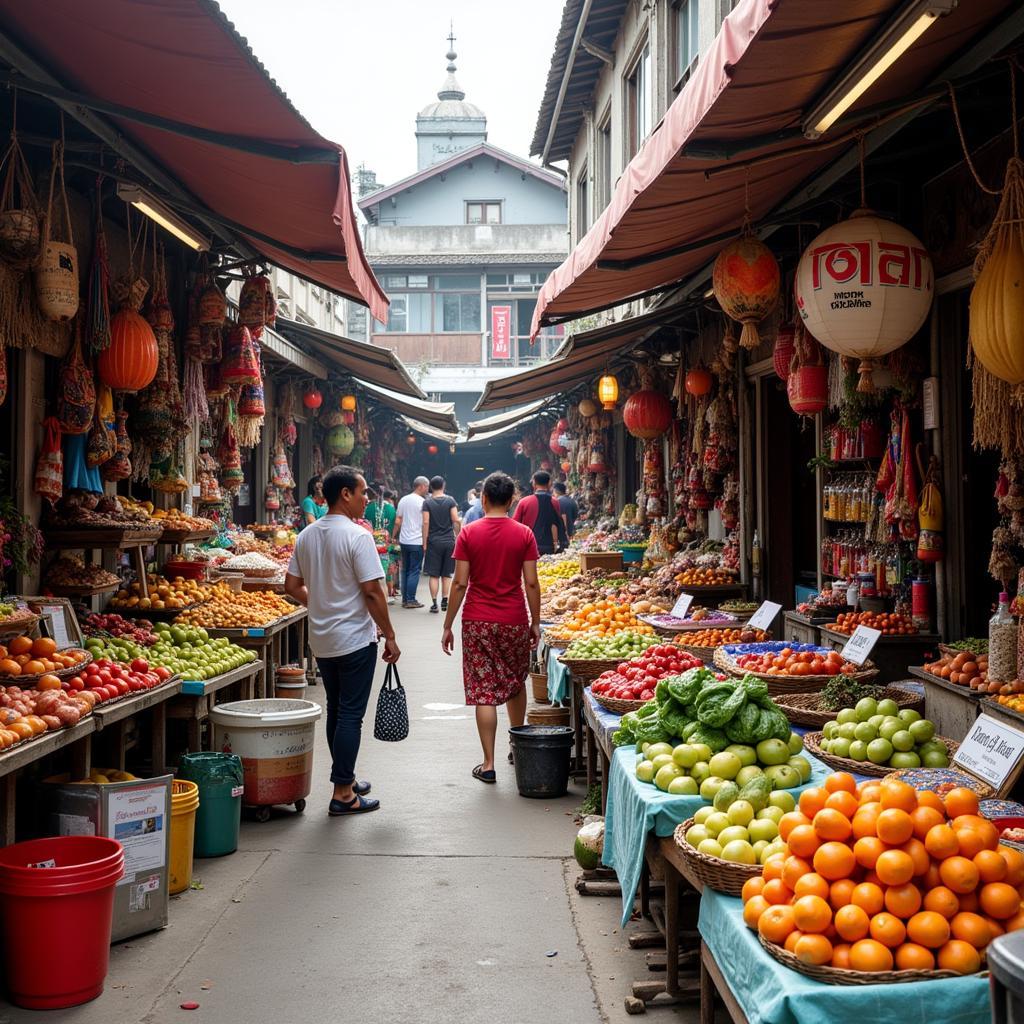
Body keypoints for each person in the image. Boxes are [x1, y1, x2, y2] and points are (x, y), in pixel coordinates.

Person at [285, 465, 400, 817]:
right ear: (345, 494)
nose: (367, 499)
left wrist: (320, 603)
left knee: (337, 710)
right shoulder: (357, 536)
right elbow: (373, 592)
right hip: (353, 639)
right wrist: (390, 635)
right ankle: (343, 793)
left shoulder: (306, 535)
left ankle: (345, 777)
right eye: (363, 492)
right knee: (350, 715)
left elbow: (291, 586)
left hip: (322, 639)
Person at [442, 471, 541, 783]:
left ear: (483, 498)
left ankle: (488, 764)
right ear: (512, 500)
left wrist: (448, 624)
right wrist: (535, 622)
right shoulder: (524, 534)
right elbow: (532, 583)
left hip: (477, 620)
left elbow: (459, 583)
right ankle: (517, 745)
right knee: (515, 682)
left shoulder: (469, 533)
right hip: (513, 619)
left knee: (484, 691)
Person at [421, 475, 460, 614]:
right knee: (447, 573)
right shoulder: (450, 501)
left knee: (434, 575)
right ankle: (445, 599)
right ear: (443, 485)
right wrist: (457, 534)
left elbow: (425, 522)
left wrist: (424, 542)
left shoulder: (427, 502)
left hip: (434, 542)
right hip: (449, 541)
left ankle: (434, 604)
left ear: (431, 487)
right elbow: (455, 519)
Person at [393, 476, 429, 608]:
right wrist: (425, 542)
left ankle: (405, 599)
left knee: (405, 569)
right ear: (421, 486)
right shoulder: (422, 502)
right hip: (416, 540)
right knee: (414, 570)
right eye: (426, 486)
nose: (427, 489)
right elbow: (426, 522)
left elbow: (398, 520)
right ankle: (410, 599)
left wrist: (393, 535)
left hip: (404, 540)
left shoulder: (403, 500)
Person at [512, 470, 567, 555]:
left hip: (527, 545)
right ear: (549, 483)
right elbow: (559, 524)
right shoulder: (554, 502)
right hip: (548, 546)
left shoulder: (524, 502)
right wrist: (563, 544)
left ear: (533, 484)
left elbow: (514, 524)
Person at [365, 485, 398, 602]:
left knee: (371, 574)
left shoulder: (366, 508)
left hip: (368, 545)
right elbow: (394, 524)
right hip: (385, 545)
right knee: (384, 573)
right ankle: (386, 596)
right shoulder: (391, 508)